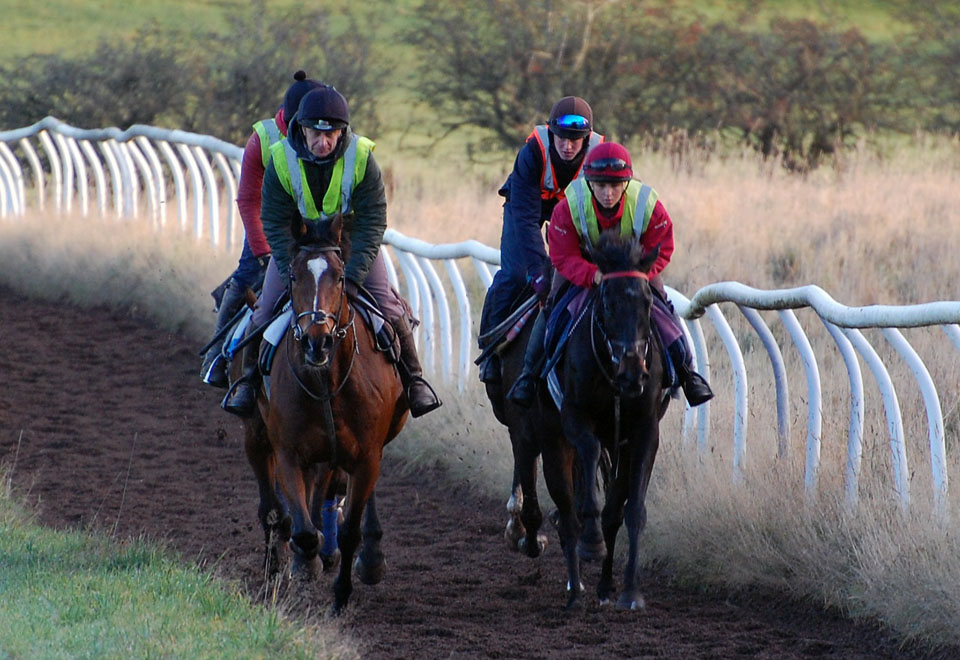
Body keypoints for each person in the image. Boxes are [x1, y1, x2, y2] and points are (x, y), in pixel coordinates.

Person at [222, 85, 442, 418]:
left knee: (385, 304)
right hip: (299, 247)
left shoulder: (363, 158)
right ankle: (249, 381)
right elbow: (274, 219)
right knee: (265, 309)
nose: (323, 142)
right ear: (301, 128)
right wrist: (287, 268)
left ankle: (415, 380)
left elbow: (373, 221)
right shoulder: (281, 158)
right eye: (315, 133)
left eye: (332, 135)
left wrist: (352, 277)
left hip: (351, 243)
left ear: (342, 132)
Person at [507, 141, 714, 408]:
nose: (608, 193)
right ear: (590, 183)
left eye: (615, 186)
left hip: (635, 268)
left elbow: (662, 246)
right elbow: (562, 255)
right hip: (583, 265)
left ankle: (687, 374)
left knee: (661, 304)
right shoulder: (569, 205)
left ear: (626, 183)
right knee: (552, 306)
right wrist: (591, 275)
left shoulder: (647, 204)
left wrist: (637, 274)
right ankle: (529, 374)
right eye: (601, 186)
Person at [200, 70, 323, 387]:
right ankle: (216, 357)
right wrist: (263, 252)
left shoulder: (326, 131)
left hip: (320, 226)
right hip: (274, 224)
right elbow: (248, 200)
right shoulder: (264, 139)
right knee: (246, 276)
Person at [477, 96, 604, 384]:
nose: (567, 146)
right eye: (561, 138)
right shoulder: (532, 151)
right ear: (550, 132)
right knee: (517, 273)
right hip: (526, 205)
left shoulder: (599, 155)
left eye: (576, 139)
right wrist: (536, 270)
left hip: (572, 212)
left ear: (588, 138)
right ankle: (491, 350)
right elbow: (523, 219)